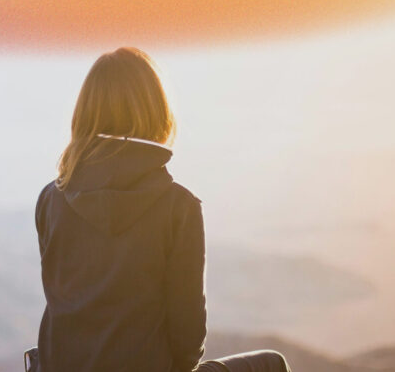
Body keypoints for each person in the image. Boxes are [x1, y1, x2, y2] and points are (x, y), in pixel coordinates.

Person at [31, 48, 291, 372]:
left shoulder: (50, 201)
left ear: (84, 114)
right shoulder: (178, 209)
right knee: (271, 364)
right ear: (155, 111)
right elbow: (187, 341)